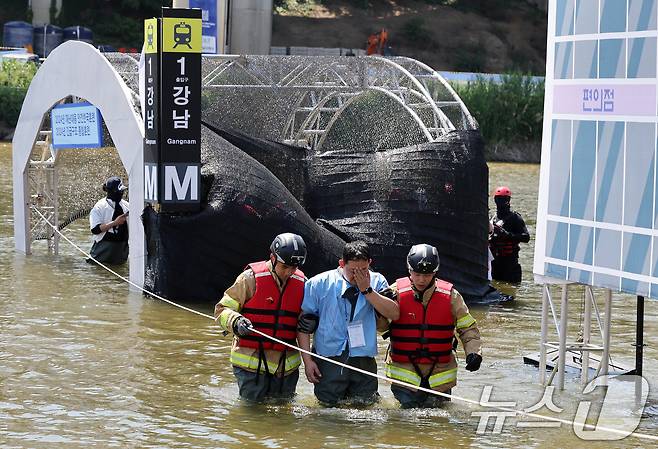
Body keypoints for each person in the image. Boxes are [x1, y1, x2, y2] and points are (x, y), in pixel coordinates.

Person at [297, 241, 399, 406]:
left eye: (364, 270)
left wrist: (367, 290)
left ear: (370, 264)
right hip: (329, 358)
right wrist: (308, 362)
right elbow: (303, 328)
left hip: (363, 358)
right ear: (342, 263)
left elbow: (394, 313)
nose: (358, 275)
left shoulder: (377, 281)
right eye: (353, 271)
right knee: (327, 409)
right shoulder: (318, 284)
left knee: (366, 407)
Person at [381, 244, 482, 408]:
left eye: (427, 275)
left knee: (439, 424)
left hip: (440, 376)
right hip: (405, 376)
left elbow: (468, 328)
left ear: (435, 272)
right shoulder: (393, 293)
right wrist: (380, 308)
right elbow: (381, 328)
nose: (421, 279)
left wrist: (474, 353)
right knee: (405, 421)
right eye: (417, 274)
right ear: (409, 271)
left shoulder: (451, 296)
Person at [214, 233, 308, 402]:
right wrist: (236, 321)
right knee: (252, 415)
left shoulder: (303, 283)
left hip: (286, 367)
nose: (289, 272)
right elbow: (222, 309)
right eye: (285, 267)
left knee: (284, 416)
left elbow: (305, 322)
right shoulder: (249, 279)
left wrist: (311, 322)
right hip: (251, 362)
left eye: (294, 268)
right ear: (273, 258)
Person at [489, 186, 530, 283]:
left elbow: (526, 237)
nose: (501, 202)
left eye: (504, 199)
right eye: (498, 199)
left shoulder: (515, 218)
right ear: (495, 200)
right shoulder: (492, 218)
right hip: (494, 262)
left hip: (510, 262)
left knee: (510, 291)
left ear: (508, 200)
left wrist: (506, 234)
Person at [88, 176, 129, 264]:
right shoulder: (100, 206)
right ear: (113, 192)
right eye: (120, 191)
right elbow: (95, 230)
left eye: (122, 191)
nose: (122, 193)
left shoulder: (126, 206)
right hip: (102, 250)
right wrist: (115, 223)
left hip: (121, 252)